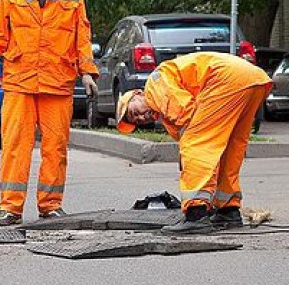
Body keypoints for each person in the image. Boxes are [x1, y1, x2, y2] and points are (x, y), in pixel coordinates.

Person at [0, 0, 99, 226]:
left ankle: (50, 206)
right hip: (20, 81)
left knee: (55, 148)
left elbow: (82, 39)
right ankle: (10, 208)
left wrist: (87, 72)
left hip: (57, 81)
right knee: (15, 146)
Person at [115, 52, 272, 234]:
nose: (141, 117)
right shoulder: (163, 105)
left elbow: (187, 116)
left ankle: (196, 214)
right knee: (229, 149)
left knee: (196, 143)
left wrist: (188, 153)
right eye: (137, 121)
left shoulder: (154, 85)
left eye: (134, 112)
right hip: (252, 79)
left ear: (137, 95)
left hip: (226, 80)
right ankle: (228, 210)